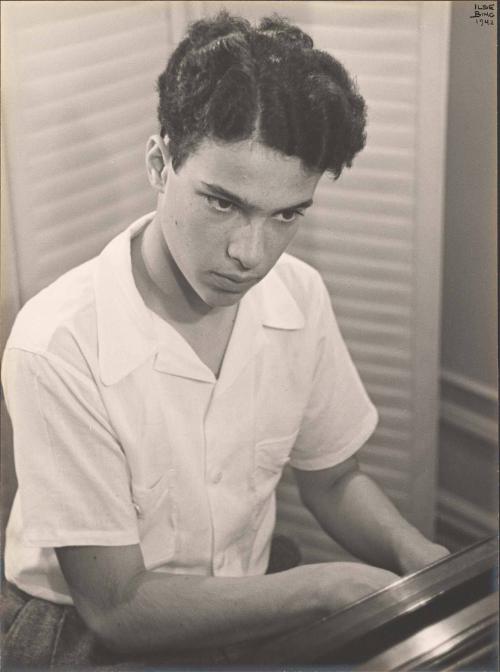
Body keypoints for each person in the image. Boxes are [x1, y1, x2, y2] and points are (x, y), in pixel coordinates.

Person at [1, 10, 448, 668]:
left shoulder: (299, 296)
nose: (250, 253)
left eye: (286, 215)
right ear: (160, 163)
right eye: (222, 202)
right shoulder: (56, 343)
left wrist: (418, 555)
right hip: (84, 628)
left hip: (244, 597)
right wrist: (324, 586)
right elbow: (118, 607)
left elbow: (331, 481)